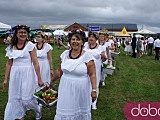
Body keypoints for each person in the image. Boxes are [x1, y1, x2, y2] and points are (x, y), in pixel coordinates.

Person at [51, 29, 97, 120]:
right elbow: (60, 71)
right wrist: (52, 80)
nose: (75, 42)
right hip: (66, 88)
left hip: (81, 89)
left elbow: (92, 74)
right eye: (73, 39)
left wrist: (94, 90)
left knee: (79, 112)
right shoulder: (64, 54)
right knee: (66, 111)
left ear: (82, 42)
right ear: (69, 41)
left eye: (78, 39)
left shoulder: (87, 56)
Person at [3, 24, 44, 120]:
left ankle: (37, 109)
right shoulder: (11, 47)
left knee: (26, 97)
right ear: (16, 34)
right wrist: (5, 79)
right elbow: (9, 64)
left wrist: (39, 78)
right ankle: (19, 115)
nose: (23, 34)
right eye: (20, 32)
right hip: (15, 74)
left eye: (24, 32)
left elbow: (36, 63)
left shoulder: (30, 46)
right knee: (15, 96)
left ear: (27, 34)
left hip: (27, 74)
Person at [84, 31, 106, 110]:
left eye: (93, 37)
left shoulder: (100, 47)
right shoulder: (85, 46)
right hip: (85, 68)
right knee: (86, 83)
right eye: (89, 37)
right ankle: (86, 101)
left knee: (95, 84)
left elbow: (104, 59)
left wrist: (103, 56)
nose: (91, 38)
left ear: (96, 38)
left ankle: (94, 102)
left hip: (96, 68)